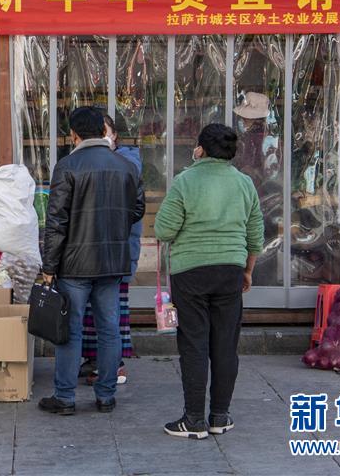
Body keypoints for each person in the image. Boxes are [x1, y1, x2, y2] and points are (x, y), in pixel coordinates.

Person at [154, 123, 264, 439]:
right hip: (230, 270)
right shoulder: (244, 184)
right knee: (225, 345)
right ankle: (219, 416)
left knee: (194, 343)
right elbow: (255, 235)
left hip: (190, 273)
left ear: (200, 149)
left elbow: (163, 230)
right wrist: (247, 271)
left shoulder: (185, 181)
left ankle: (193, 420)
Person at [39, 106, 145, 416]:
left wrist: (49, 267)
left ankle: (65, 397)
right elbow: (136, 211)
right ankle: (106, 396)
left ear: (73, 135)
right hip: (112, 262)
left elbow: (56, 222)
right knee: (109, 329)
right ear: (103, 131)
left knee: (70, 331)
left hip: (75, 264)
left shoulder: (67, 166)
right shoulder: (126, 166)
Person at [80, 115, 141, 385]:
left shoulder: (128, 163)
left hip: (117, 251)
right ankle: (95, 361)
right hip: (92, 251)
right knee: (93, 313)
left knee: (110, 312)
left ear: (115, 135)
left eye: (106, 131)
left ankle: (114, 366)